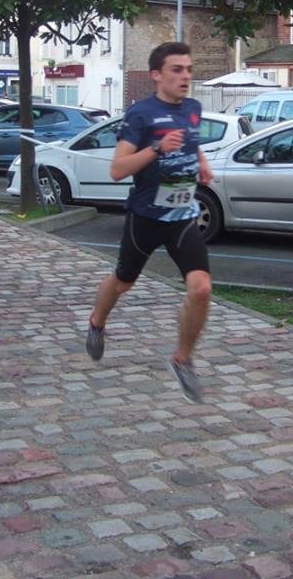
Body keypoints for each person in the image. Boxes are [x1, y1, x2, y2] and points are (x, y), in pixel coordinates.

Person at [85, 41, 213, 403]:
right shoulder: (140, 114)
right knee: (122, 282)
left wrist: (202, 162)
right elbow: (117, 170)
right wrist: (156, 148)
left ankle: (182, 360)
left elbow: (190, 140)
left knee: (201, 288)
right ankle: (97, 321)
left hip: (183, 216)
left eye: (189, 69)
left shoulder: (193, 108)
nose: (186, 76)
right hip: (146, 216)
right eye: (177, 70)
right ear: (156, 75)